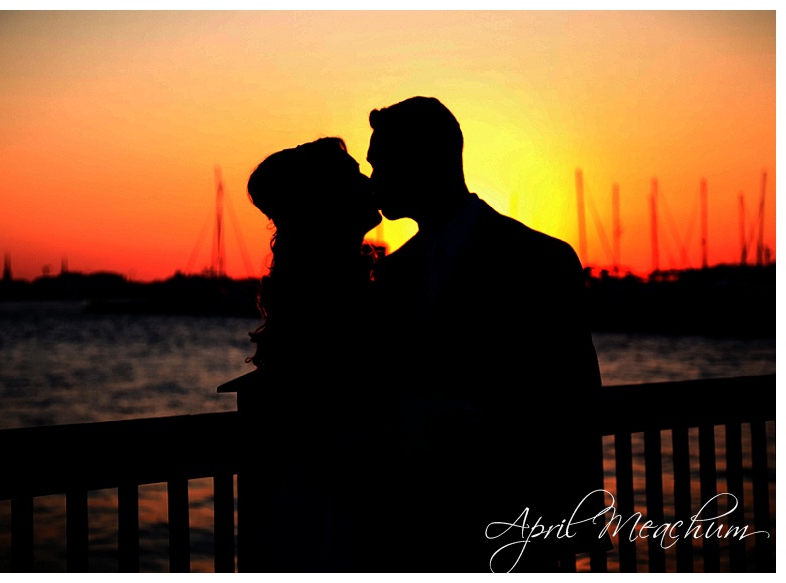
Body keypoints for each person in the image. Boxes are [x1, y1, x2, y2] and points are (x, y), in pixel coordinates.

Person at [368, 97, 604, 572]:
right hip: (418, 537)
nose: (374, 182)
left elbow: (576, 400)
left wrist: (574, 530)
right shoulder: (393, 275)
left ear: (423, 161)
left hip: (514, 531)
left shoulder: (541, 262)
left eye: (382, 165)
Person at [240, 137, 383, 572]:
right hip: (335, 518)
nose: (368, 182)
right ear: (326, 204)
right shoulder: (330, 300)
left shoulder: (318, 289)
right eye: (353, 176)